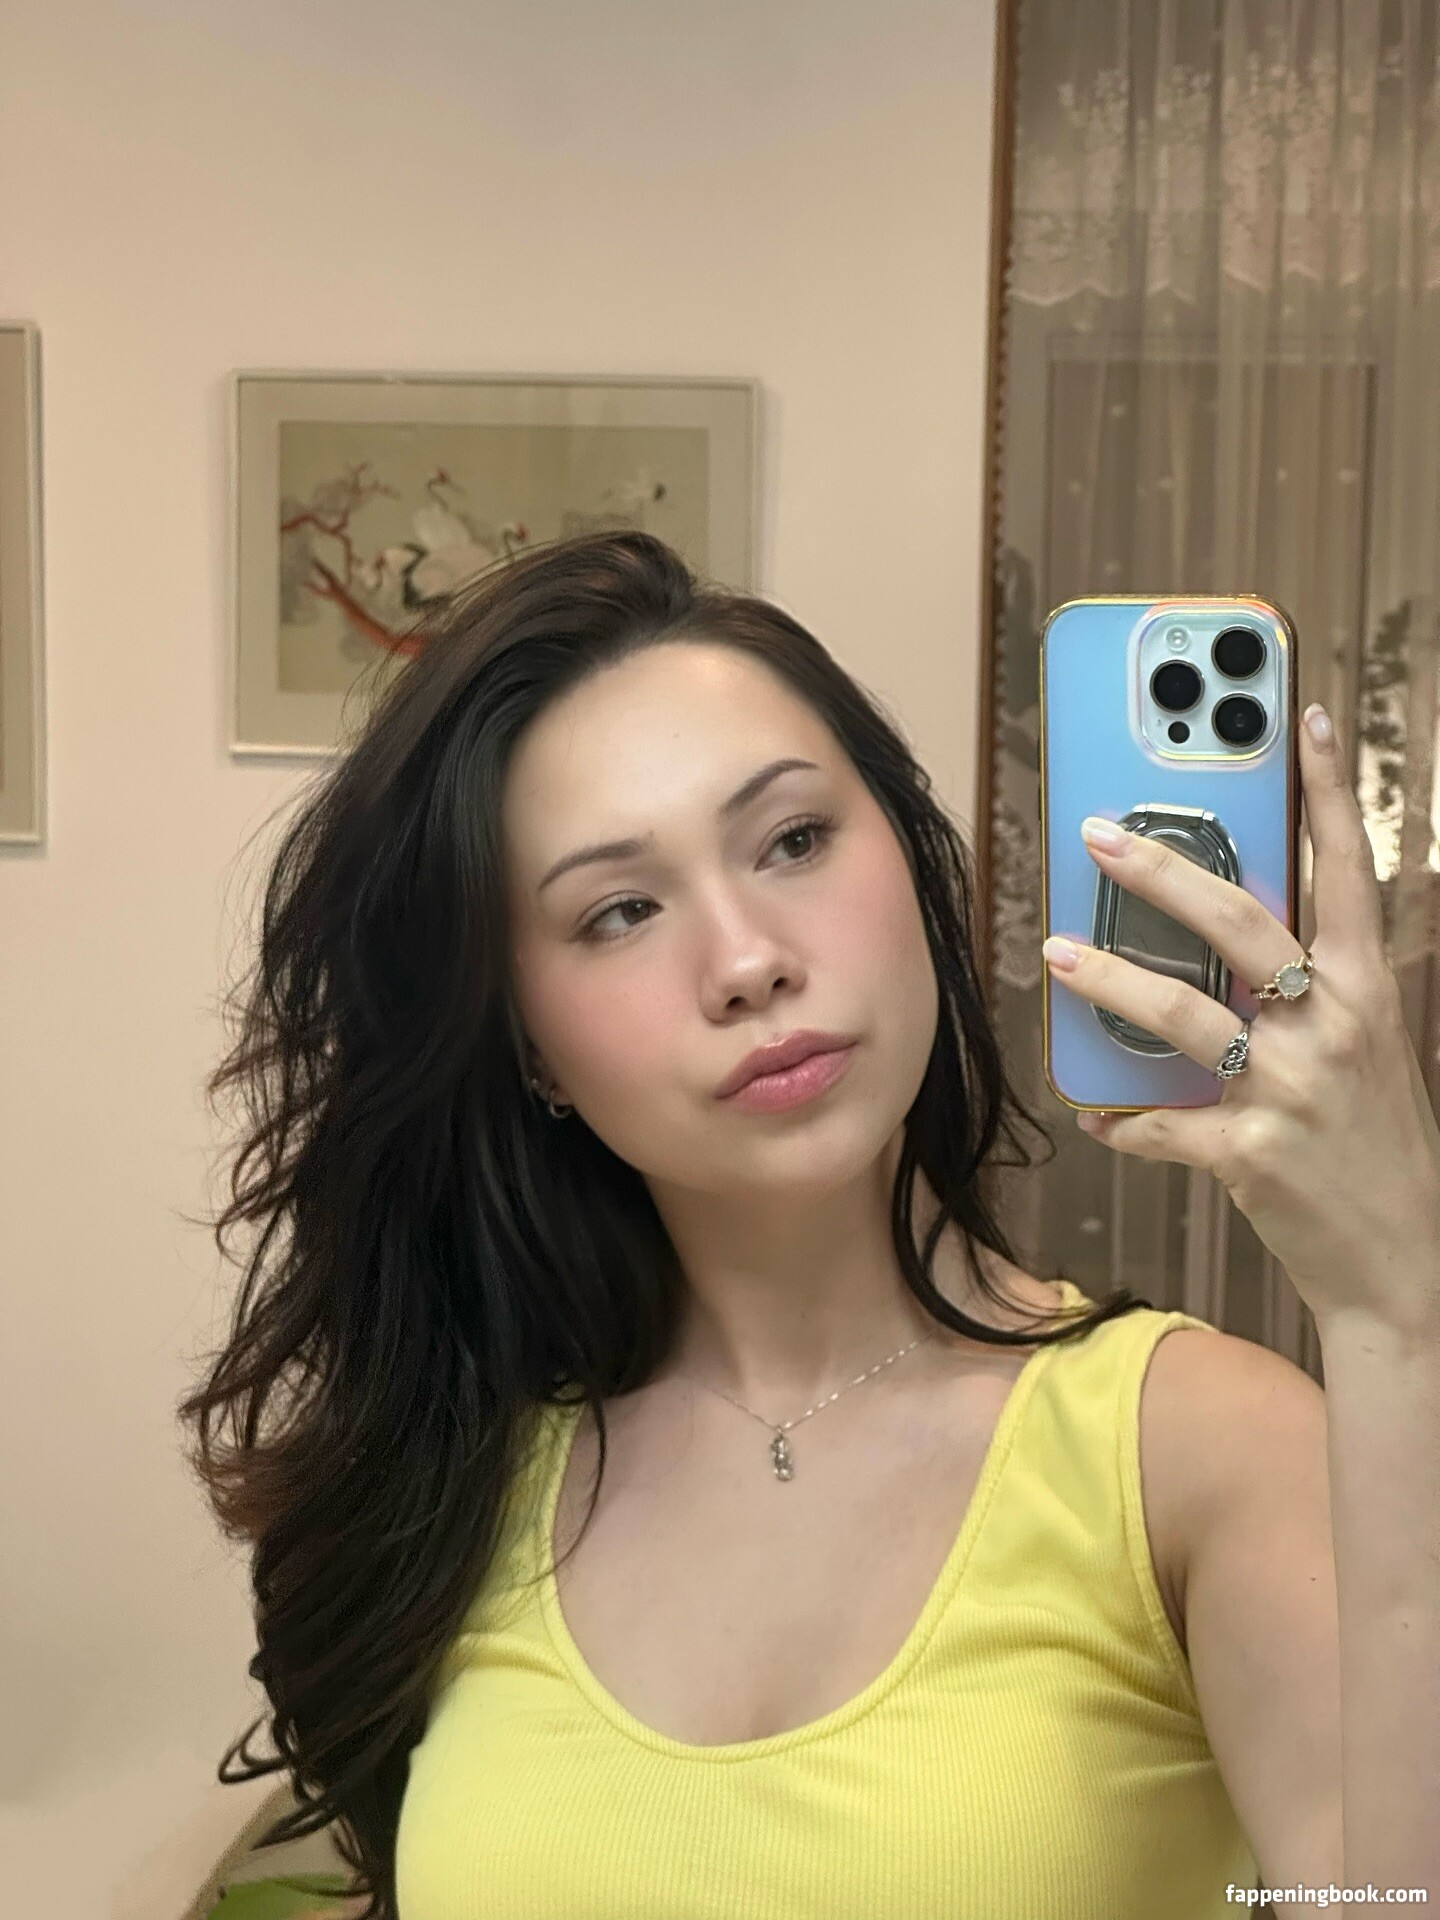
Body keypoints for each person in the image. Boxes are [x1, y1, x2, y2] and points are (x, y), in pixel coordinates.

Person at [179, 530, 1434, 1919]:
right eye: (619, 911)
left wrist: (1398, 1312)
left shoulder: (1202, 1449)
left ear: (915, 865)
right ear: (528, 1046)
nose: (746, 961)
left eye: (793, 840)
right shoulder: (458, 1482)